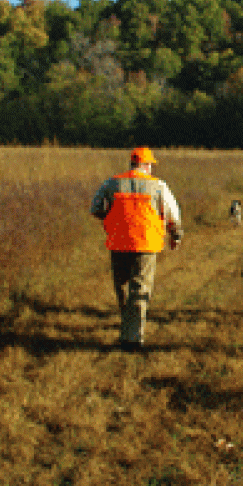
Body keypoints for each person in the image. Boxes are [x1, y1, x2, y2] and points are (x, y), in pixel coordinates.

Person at [90, 146, 182, 352]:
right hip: (146, 245)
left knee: (122, 288)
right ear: (146, 165)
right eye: (151, 165)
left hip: (118, 243)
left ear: (132, 163)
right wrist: (176, 235)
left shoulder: (111, 183)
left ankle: (127, 327)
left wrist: (112, 222)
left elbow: (96, 208)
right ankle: (133, 338)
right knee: (139, 289)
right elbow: (172, 214)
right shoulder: (158, 186)